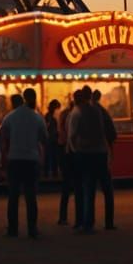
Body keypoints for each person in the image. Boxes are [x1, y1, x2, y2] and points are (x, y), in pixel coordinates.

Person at [0, 86, 47, 239]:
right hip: (31, 159)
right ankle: (32, 228)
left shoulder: (10, 117)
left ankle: (13, 229)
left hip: (14, 159)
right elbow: (44, 139)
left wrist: (3, 157)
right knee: (31, 196)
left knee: (13, 196)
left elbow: (3, 138)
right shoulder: (37, 117)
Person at [68, 87, 106, 234]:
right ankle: (88, 221)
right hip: (96, 152)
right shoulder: (96, 111)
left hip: (82, 152)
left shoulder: (77, 112)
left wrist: (73, 149)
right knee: (90, 188)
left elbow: (72, 135)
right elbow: (101, 131)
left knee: (80, 188)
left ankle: (81, 221)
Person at [91, 89, 117, 229]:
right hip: (101, 152)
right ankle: (109, 222)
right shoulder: (102, 112)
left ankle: (88, 222)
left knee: (88, 189)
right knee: (107, 189)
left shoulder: (81, 112)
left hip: (87, 154)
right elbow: (112, 133)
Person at [57, 95, 77, 226]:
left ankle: (63, 216)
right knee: (78, 185)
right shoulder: (74, 115)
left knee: (66, 185)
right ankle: (80, 218)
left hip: (64, 150)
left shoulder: (64, 115)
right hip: (73, 151)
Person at [43, 99, 61, 178]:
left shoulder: (50, 116)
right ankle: (51, 173)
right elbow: (48, 127)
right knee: (51, 157)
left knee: (52, 157)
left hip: (51, 139)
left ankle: (50, 173)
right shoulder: (49, 116)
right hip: (51, 139)